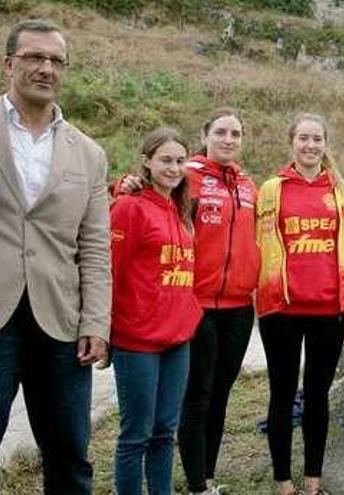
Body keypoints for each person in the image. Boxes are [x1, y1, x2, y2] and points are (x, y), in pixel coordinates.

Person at [0, 19, 110, 495]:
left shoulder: (87, 153)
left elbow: (95, 245)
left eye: (55, 61)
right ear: (9, 64)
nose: (46, 68)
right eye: (34, 57)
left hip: (62, 325)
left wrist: (96, 323)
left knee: (69, 454)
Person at [256, 113, 344, 495]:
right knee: (282, 394)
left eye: (317, 139)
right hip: (280, 311)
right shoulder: (271, 189)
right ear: (291, 142)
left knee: (318, 396)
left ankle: (312, 483)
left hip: (329, 311)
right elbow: (251, 243)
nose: (310, 146)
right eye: (303, 138)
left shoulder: (342, 191)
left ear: (325, 143)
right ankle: (283, 483)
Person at [109, 127, 202, 494]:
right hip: (137, 341)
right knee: (137, 435)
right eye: (166, 160)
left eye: (180, 161)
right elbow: (109, 271)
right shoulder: (129, 207)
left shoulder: (181, 210)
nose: (174, 168)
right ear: (147, 161)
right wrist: (102, 330)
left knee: (165, 431)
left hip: (178, 339)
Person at [176, 108, 260, 495]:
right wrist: (126, 185)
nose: (229, 140)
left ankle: (208, 477)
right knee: (198, 393)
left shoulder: (248, 185)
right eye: (221, 132)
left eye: (236, 134)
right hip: (197, 304)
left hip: (240, 306)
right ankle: (196, 484)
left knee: (222, 392)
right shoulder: (186, 176)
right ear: (206, 134)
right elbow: (144, 195)